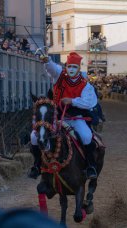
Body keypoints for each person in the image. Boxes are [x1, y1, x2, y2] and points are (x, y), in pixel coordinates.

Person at [31, 52, 98, 180]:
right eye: (69, 66)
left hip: (75, 118)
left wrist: (72, 101)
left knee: (86, 136)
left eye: (74, 67)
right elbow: (51, 68)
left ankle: (90, 166)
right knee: (34, 137)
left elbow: (89, 102)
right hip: (55, 117)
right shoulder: (59, 75)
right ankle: (37, 165)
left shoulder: (85, 85)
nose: (71, 69)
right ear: (66, 66)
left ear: (79, 68)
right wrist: (47, 60)